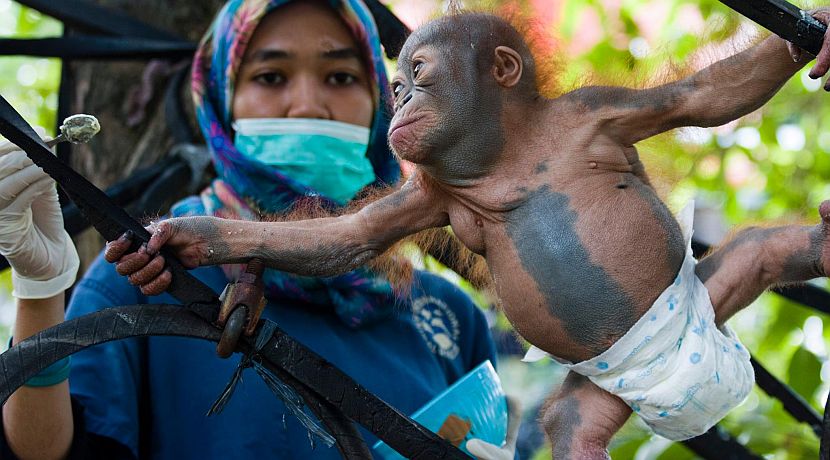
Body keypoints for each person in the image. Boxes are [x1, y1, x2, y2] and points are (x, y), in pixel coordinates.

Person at [108, 6, 830, 459]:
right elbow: (347, 238)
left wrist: (804, 39)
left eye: (418, 75)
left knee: (763, 248)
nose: (403, 99)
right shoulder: (438, 191)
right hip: (614, 383)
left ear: (502, 72)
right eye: (396, 88)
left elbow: (704, 95)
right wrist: (223, 238)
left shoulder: (583, 121)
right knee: (569, 431)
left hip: (696, 310)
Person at [0, 1, 517, 458]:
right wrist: (41, 289)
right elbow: (48, 451)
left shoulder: (447, 318)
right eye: (271, 77)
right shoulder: (146, 274)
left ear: (382, 105)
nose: (308, 104)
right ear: (223, 104)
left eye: (341, 78)